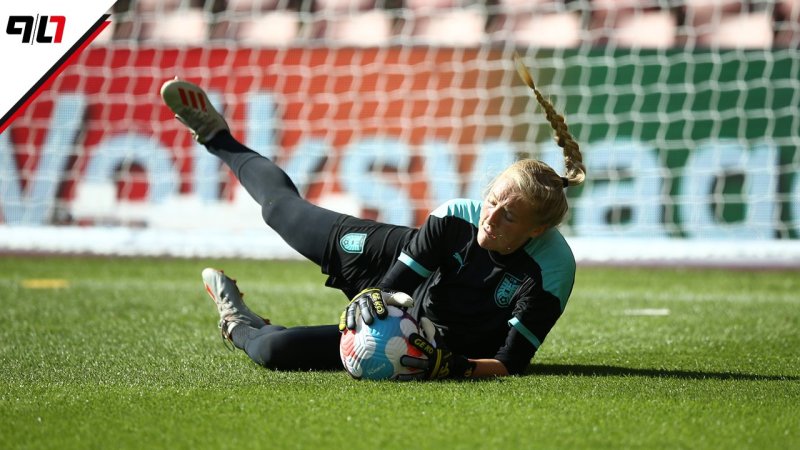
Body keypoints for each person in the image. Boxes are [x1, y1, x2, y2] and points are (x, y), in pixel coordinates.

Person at [160, 69, 586, 379]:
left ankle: (236, 324)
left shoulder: (552, 270)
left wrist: (448, 366)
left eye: (508, 216)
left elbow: (509, 364)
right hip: (407, 268)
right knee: (280, 213)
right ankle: (217, 137)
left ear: (536, 231)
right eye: (491, 200)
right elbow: (390, 286)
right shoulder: (456, 218)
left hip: (437, 342)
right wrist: (371, 298)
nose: (490, 218)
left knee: (274, 350)